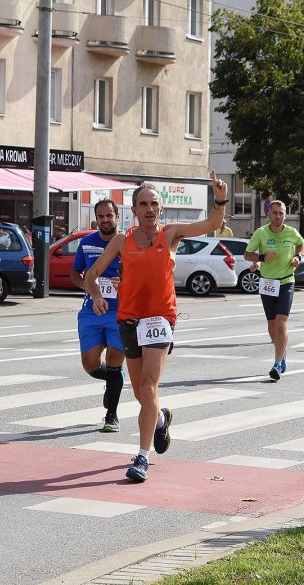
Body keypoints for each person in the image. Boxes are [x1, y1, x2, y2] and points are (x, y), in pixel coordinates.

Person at [83, 170, 228, 483]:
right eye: (143, 204)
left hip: (161, 318)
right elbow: (91, 274)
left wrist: (219, 198)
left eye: (154, 204)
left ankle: (142, 457)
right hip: (129, 319)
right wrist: (95, 295)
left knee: (149, 386)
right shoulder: (122, 241)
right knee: (140, 393)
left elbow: (212, 224)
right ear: (133, 210)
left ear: (161, 209)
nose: (149, 208)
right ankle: (161, 418)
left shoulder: (171, 233)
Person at [71, 199, 126, 432]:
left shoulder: (128, 242)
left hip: (121, 310)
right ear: (96, 219)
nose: (105, 220)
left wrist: (124, 282)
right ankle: (113, 383)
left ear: (117, 217)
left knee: (115, 361)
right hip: (92, 309)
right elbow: (75, 274)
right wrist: (90, 289)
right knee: (90, 364)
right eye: (101, 216)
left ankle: (111, 415)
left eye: (109, 216)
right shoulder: (87, 243)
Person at [243, 201, 304, 381]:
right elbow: (247, 254)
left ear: (285, 215)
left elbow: (301, 244)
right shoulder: (261, 233)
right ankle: (282, 352)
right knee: (271, 325)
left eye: (281, 213)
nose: (278, 216)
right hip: (268, 282)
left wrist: (297, 256)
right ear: (269, 215)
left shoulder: (291, 232)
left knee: (281, 323)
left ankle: (277, 364)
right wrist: (261, 257)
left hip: (286, 281)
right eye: (275, 213)